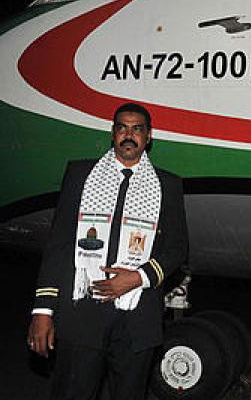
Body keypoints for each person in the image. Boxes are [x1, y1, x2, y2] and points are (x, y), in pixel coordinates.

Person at [28, 103, 189, 400]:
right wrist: (43, 310)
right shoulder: (81, 175)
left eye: (137, 129)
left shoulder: (167, 184)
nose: (129, 135)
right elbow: (59, 245)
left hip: (137, 317)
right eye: (122, 128)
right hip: (82, 313)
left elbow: (178, 248)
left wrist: (137, 278)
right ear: (113, 133)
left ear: (148, 136)